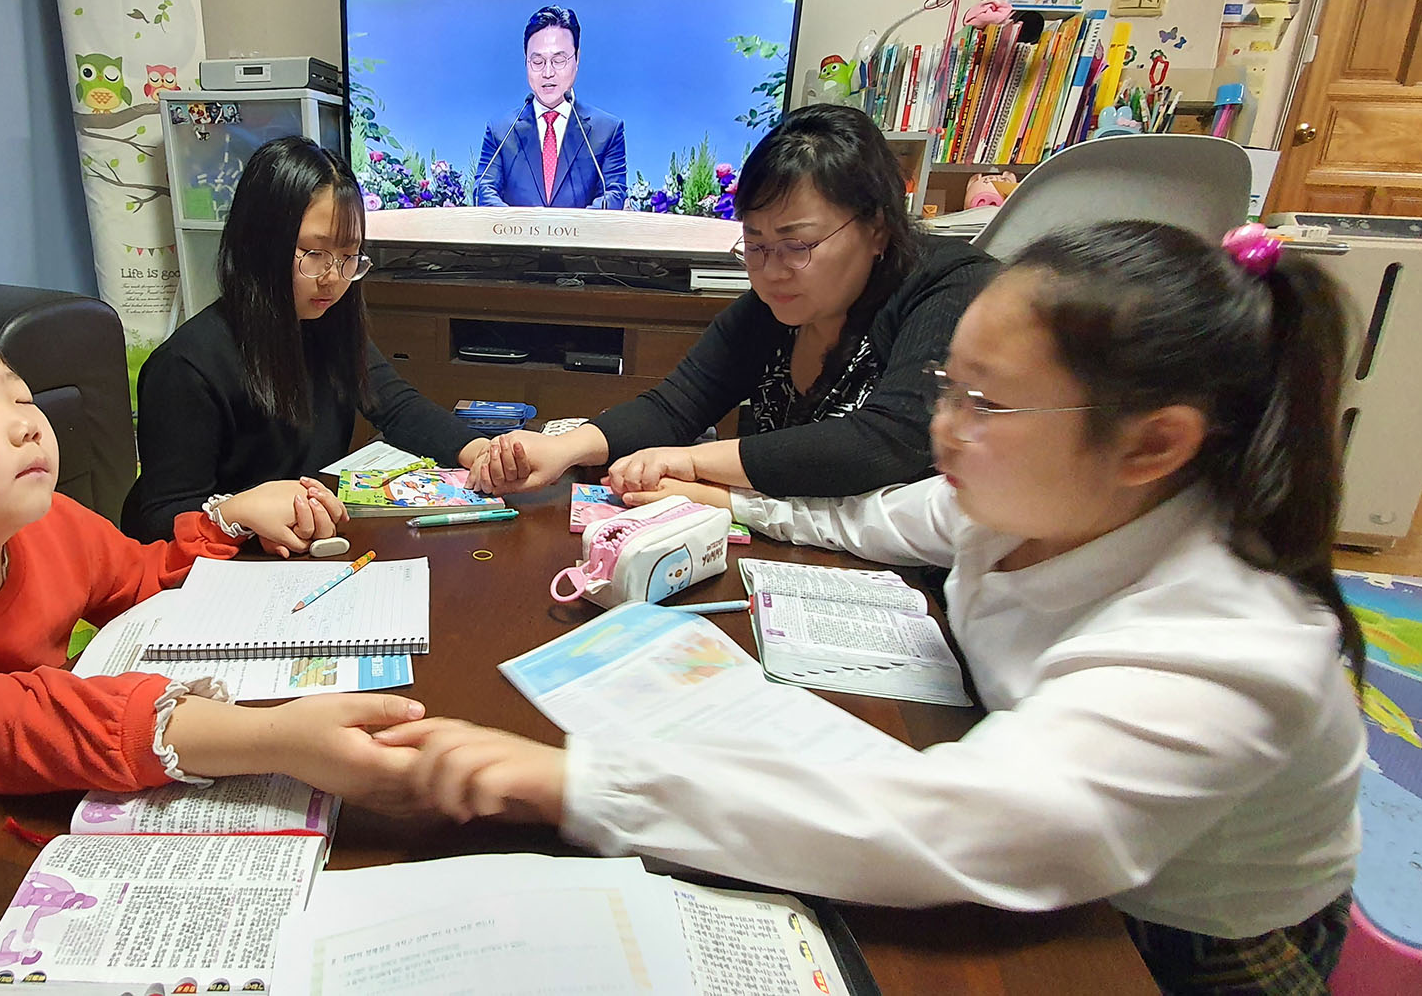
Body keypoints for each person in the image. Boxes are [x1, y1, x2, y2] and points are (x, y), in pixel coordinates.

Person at [386, 221, 1368, 994]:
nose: (941, 428)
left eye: (984, 404)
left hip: (1183, 936)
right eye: (948, 387)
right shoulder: (1032, 495)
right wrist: (733, 503)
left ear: (1151, 446)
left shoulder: (1231, 646)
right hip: (1052, 835)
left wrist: (574, 784)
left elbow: (957, 830)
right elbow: (881, 521)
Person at [0, 293, 424, 834]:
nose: (28, 420)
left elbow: (141, 578)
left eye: (21, 394)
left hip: (49, 798)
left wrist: (232, 514)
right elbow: (6, 723)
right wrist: (276, 738)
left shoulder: (47, 524)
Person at [472, 104, 994, 501]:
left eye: (797, 245)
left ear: (876, 227)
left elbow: (888, 442)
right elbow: (676, 404)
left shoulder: (950, 287)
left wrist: (694, 463)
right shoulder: (775, 307)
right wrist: (563, 449)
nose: (769, 271)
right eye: (757, 245)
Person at [123, 136, 490, 544]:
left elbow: (396, 406)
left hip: (303, 545)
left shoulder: (325, 324)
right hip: (223, 568)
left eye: (350, 256)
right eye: (314, 254)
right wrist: (241, 516)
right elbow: (159, 520)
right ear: (261, 243)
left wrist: (477, 451)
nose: (334, 278)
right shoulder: (187, 367)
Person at [472, 5, 627, 209]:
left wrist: (565, 227)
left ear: (577, 58)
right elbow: (483, 190)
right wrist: (522, 227)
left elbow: (613, 194)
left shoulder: (607, 131)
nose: (547, 73)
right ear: (526, 61)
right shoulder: (500, 131)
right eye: (537, 61)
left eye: (558, 60)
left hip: (580, 240)